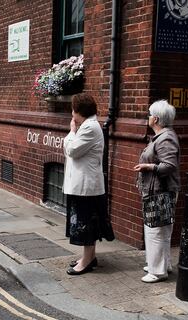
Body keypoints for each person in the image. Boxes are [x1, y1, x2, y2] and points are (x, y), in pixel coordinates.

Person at [63, 93, 114, 275]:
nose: (72, 115)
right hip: (85, 186)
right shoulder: (89, 125)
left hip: (86, 187)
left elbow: (72, 150)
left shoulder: (89, 128)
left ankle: (86, 261)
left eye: (73, 110)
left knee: (85, 225)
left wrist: (71, 132)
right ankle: (90, 257)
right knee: (88, 223)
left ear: (79, 111)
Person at [134, 100, 180, 283]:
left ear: (156, 118)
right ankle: (162, 264)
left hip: (161, 191)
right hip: (161, 190)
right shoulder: (163, 136)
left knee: (155, 230)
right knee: (162, 229)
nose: (148, 117)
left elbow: (169, 166)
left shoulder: (166, 138)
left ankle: (157, 271)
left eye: (149, 114)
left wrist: (149, 166)